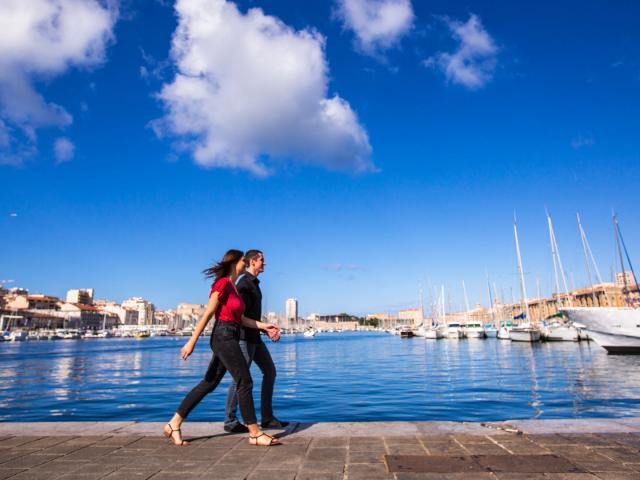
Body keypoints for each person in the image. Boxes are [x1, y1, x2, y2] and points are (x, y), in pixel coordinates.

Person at [164, 249, 282, 447]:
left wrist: (264, 326)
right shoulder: (223, 284)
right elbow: (209, 313)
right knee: (244, 381)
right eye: (243, 260)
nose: (246, 263)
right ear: (235, 262)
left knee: (208, 383)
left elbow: (241, 319)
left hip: (231, 335)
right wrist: (191, 342)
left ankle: (174, 423)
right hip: (223, 336)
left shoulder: (234, 288)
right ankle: (254, 432)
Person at [224, 250, 289, 433]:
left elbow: (252, 315)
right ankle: (230, 420)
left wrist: (264, 330)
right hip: (244, 339)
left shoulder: (254, 283)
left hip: (255, 338)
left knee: (270, 371)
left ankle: (267, 418)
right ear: (252, 262)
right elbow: (241, 316)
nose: (265, 263)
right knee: (241, 379)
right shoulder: (244, 284)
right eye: (262, 260)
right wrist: (264, 327)